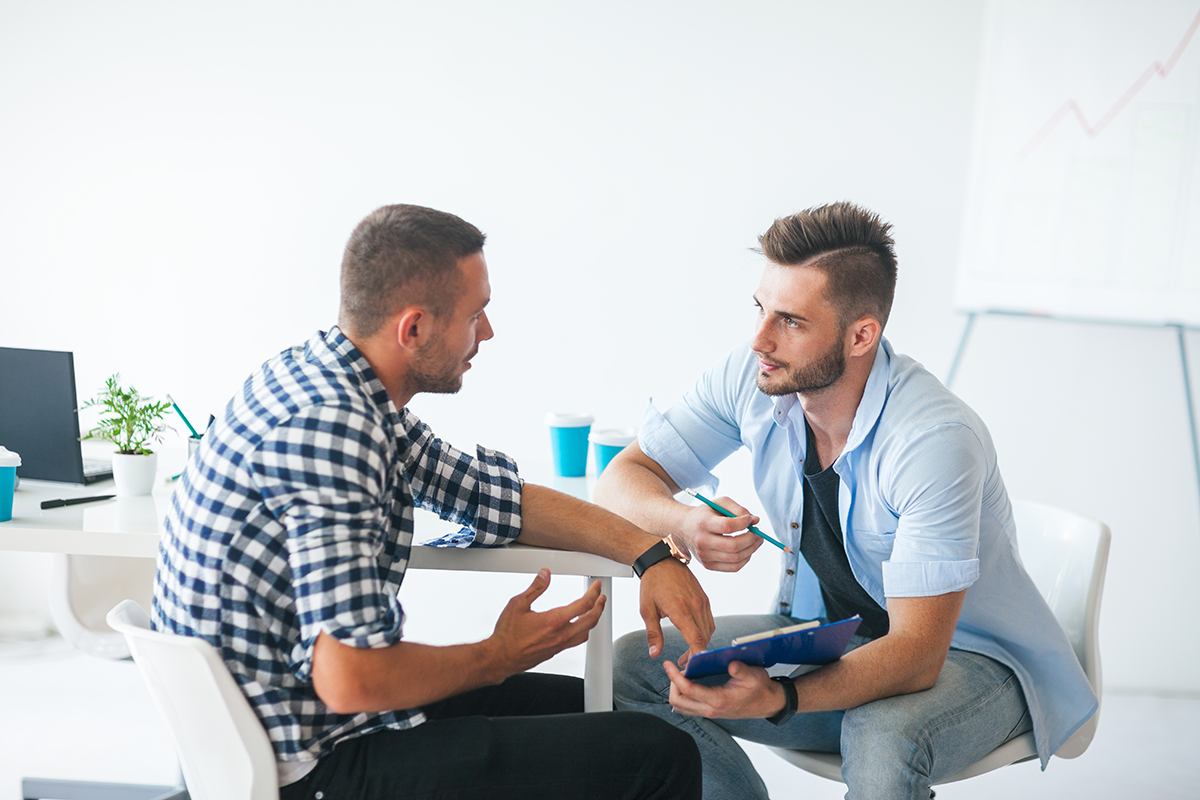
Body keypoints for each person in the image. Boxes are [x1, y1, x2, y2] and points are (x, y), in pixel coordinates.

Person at [152, 204, 714, 800]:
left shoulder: (330, 382)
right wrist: (497, 655)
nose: (488, 333)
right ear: (413, 328)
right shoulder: (335, 431)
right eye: (477, 315)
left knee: (604, 707)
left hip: (301, 723)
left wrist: (649, 554)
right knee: (658, 755)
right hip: (309, 764)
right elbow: (350, 679)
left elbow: (491, 498)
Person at [594, 201, 1098, 800]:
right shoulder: (753, 375)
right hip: (835, 635)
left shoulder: (933, 442)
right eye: (760, 309)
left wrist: (784, 696)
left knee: (881, 729)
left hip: (976, 662)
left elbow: (915, 656)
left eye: (791, 321)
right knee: (634, 666)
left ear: (862, 334)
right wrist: (683, 521)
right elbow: (622, 480)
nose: (760, 339)